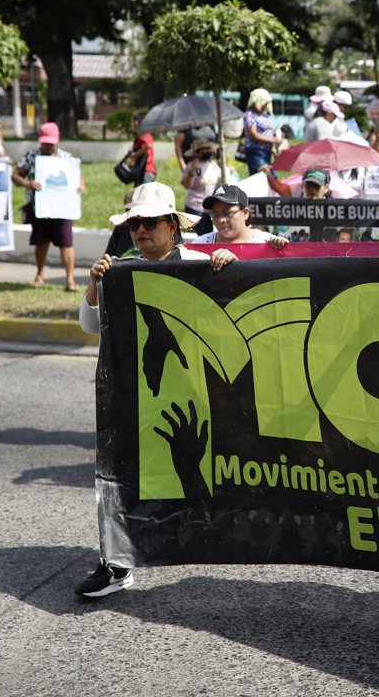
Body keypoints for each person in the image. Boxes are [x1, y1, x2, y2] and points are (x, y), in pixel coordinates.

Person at [75, 182, 238, 598]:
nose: (140, 232)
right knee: (124, 476)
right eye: (133, 225)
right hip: (135, 399)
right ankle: (115, 563)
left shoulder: (200, 263)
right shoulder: (121, 270)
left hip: (193, 402)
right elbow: (90, 325)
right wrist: (95, 284)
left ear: (172, 225)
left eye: (148, 223)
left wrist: (229, 261)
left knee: (192, 478)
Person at [12, 122, 87, 291]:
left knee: (66, 242)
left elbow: (79, 177)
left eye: (51, 142)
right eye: (45, 142)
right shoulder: (31, 157)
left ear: (57, 140)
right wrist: (28, 183)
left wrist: (81, 186)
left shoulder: (66, 158)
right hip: (41, 207)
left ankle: (70, 280)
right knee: (41, 241)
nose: (48, 145)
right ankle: (40, 273)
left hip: (63, 207)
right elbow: (16, 176)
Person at [194, 184, 287, 247]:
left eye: (227, 213)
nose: (222, 220)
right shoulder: (200, 244)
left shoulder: (265, 242)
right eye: (216, 215)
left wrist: (280, 247)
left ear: (245, 213)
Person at [181, 138, 220, 235]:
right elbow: (187, 185)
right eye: (203, 149)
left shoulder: (213, 165)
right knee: (204, 233)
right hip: (196, 206)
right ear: (197, 153)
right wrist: (191, 172)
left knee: (211, 233)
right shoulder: (192, 166)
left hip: (210, 208)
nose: (207, 151)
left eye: (208, 149)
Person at [243, 89, 280, 176]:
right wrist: (272, 140)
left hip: (266, 151)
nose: (265, 106)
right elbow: (253, 135)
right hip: (256, 151)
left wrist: (272, 146)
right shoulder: (249, 115)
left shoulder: (264, 114)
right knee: (263, 177)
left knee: (273, 177)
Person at [125, 111, 156, 185]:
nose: (131, 124)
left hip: (146, 170)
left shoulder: (144, 133)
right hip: (142, 170)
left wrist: (134, 154)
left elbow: (148, 146)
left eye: (132, 122)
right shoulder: (141, 134)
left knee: (143, 195)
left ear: (137, 122)